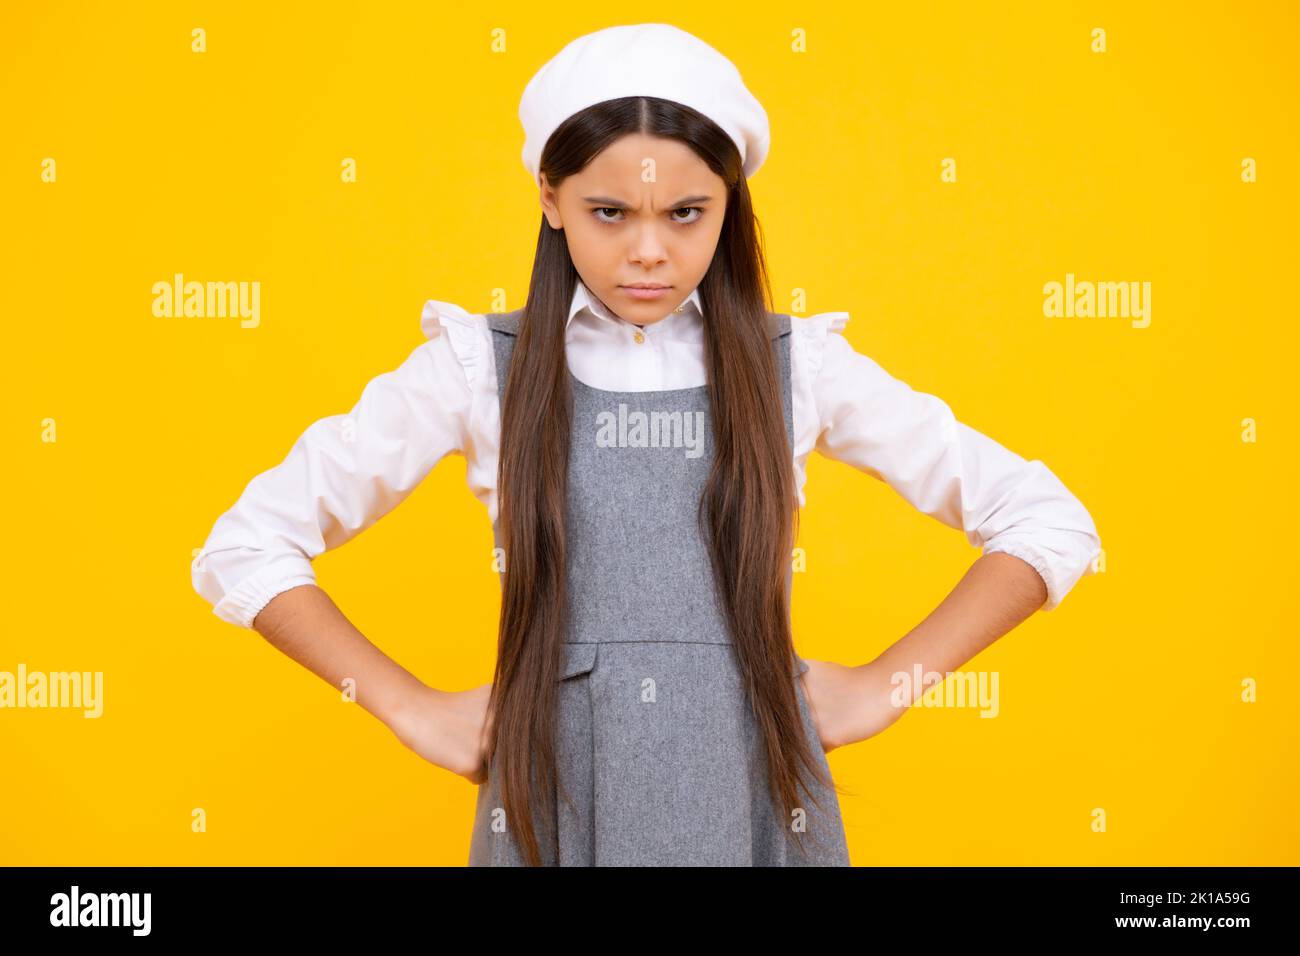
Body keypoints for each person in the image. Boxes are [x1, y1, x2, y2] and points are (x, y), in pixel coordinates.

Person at [191, 23, 1102, 867]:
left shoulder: (802, 369)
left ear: (729, 205)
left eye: (686, 214)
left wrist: (884, 687)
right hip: (555, 807)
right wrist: (407, 706)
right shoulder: (478, 369)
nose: (649, 254)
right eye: (610, 212)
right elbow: (245, 545)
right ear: (550, 199)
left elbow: (1045, 522)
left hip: (755, 804)